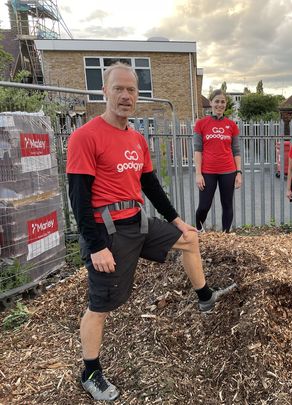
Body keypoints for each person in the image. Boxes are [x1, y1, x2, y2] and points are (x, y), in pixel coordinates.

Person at [67, 62, 231, 401]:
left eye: (131, 90)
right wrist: (96, 246)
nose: (126, 96)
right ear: (104, 92)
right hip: (107, 232)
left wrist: (175, 220)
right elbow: (79, 197)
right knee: (100, 307)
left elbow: (150, 185)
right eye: (119, 89)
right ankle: (91, 372)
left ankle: (204, 297)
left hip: (137, 222)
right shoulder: (85, 137)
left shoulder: (136, 138)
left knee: (190, 239)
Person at [193, 89, 242, 232]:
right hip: (207, 172)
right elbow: (197, 150)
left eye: (222, 102)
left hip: (228, 171)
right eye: (217, 101)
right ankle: (198, 231)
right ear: (211, 103)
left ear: (225, 104)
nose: (220, 105)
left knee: (227, 205)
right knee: (204, 206)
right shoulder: (201, 124)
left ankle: (225, 235)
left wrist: (239, 172)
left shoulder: (232, 125)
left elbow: (236, 151)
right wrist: (198, 174)